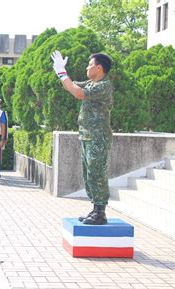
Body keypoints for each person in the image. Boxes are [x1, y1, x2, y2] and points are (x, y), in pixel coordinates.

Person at [51, 51, 113, 225]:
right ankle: (95, 209)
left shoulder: (103, 85)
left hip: (98, 137)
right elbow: (71, 86)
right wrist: (61, 73)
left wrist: (62, 72)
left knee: (96, 172)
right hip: (87, 135)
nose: (87, 67)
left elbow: (78, 93)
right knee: (88, 174)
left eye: (90, 64)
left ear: (99, 68)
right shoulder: (91, 83)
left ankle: (100, 212)